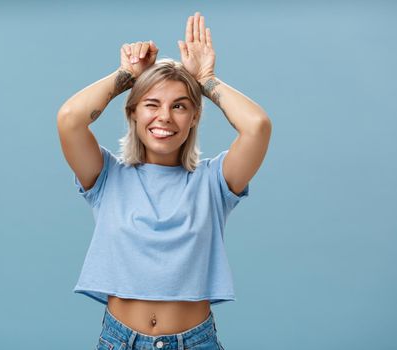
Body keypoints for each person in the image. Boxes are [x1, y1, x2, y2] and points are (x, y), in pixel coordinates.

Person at [57, 11, 271, 350]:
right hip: (119, 341)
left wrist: (206, 79)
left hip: (195, 342)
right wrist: (126, 75)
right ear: (133, 113)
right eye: (151, 104)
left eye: (180, 106)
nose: (164, 117)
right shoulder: (106, 176)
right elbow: (70, 119)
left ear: (194, 117)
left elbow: (257, 126)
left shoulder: (214, 181)